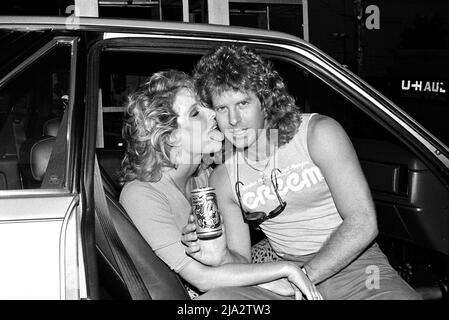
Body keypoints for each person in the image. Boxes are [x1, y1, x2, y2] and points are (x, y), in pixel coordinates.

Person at [184, 45, 422, 300]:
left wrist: (303, 277)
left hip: (358, 266)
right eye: (222, 108)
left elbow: (363, 221)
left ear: (265, 102)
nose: (233, 120)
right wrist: (219, 255)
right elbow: (241, 259)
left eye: (243, 103)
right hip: (284, 271)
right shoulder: (224, 177)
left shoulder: (317, 134)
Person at [119, 69, 322, 300]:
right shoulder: (141, 194)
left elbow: (237, 258)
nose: (213, 114)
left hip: (225, 282)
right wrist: (285, 270)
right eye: (196, 113)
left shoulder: (204, 177)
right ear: (170, 137)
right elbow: (202, 279)